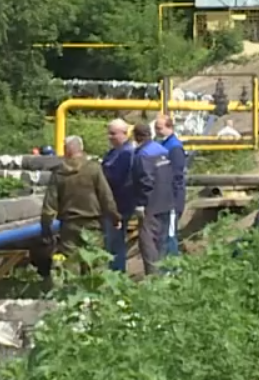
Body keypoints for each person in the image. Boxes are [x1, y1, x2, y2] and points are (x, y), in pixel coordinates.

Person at [39, 136, 120, 284]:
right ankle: (95, 299)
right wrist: (114, 217)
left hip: (69, 226)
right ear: (81, 149)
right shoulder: (94, 169)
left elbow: (49, 205)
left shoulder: (58, 173)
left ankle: (73, 299)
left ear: (65, 150)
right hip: (93, 224)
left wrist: (46, 229)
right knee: (95, 264)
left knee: (71, 265)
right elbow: (105, 196)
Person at [129, 122, 174, 275]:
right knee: (161, 241)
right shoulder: (162, 150)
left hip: (151, 206)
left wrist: (141, 204)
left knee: (147, 242)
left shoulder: (143, 155)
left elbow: (146, 181)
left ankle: (153, 278)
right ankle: (162, 277)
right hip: (166, 202)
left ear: (136, 136)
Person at [100, 119, 135, 273]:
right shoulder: (114, 152)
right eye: (109, 133)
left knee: (115, 243)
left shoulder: (127, 153)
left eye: (113, 133)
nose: (109, 136)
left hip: (119, 205)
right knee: (111, 242)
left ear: (124, 133)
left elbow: (115, 178)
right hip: (111, 204)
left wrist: (99, 176)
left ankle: (117, 274)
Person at [154, 114, 187, 257]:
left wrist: (173, 201)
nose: (156, 131)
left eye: (159, 128)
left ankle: (173, 269)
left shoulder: (174, 147)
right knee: (163, 234)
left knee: (170, 234)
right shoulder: (162, 144)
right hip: (163, 199)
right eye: (155, 127)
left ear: (170, 127)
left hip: (171, 200)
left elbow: (177, 176)